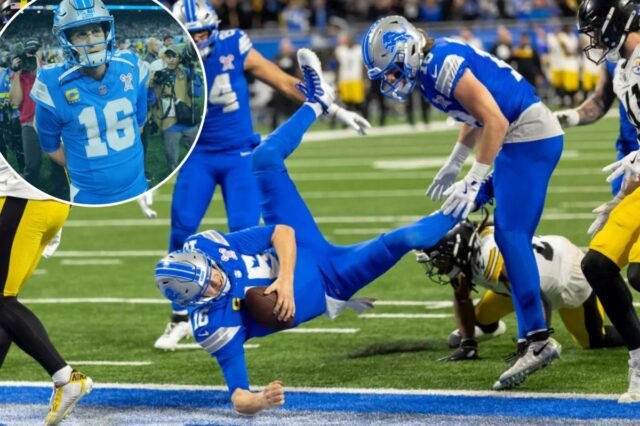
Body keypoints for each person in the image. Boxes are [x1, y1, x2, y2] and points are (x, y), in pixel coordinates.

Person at [153, 49, 458, 414]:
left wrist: (284, 281)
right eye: (211, 286)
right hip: (332, 281)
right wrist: (259, 400)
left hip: (300, 245)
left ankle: (316, 102)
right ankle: (479, 195)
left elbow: (281, 232)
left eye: (212, 272)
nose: (218, 278)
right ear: (196, 301)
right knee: (409, 239)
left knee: (264, 158)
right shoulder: (212, 325)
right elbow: (238, 396)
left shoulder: (206, 246)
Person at [154, 0, 370, 350]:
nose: (198, 40)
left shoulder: (234, 45)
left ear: (214, 28)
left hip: (240, 154)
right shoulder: (167, 60)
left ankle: (241, 309)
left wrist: (331, 107)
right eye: (190, 35)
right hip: (198, 156)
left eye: (202, 33)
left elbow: (283, 81)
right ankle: (179, 315)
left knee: (244, 231)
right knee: (182, 226)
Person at [362, 16, 564, 391]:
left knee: (510, 236)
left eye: (391, 70)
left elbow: (494, 120)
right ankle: (528, 338)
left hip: (528, 135)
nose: (390, 79)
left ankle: (538, 340)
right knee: (460, 213)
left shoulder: (441, 63)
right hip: (519, 136)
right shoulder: (429, 67)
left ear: (406, 49)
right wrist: (455, 162)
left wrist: (473, 178)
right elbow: (474, 115)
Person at [417, 216, 624, 363]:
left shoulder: (491, 258)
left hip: (568, 276)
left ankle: (633, 330)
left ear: (458, 247)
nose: (438, 266)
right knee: (464, 333)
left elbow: (537, 298)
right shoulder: (467, 253)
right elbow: (462, 297)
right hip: (518, 285)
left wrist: (531, 344)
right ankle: (489, 327)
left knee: (593, 341)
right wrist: (468, 343)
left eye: (440, 259)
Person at [575, 0, 640, 403]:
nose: (594, 40)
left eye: (596, 29)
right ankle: (639, 364)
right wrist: (621, 197)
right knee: (597, 266)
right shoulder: (623, 71)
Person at [0, 156, 92, 425]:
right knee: (5, 301)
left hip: (21, 198)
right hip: (47, 199)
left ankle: (65, 377)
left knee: (2, 299)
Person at [30, 0, 150, 205]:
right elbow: (50, 147)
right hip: (88, 195)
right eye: (81, 34)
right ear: (66, 39)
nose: (91, 41)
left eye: (96, 31)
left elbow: (139, 124)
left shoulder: (130, 65)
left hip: (138, 185)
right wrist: (83, 170)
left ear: (106, 32)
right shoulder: (53, 83)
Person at [554, 59, 638, 196]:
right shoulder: (613, 60)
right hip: (627, 154)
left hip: (636, 155)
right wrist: (573, 116)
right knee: (620, 207)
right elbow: (601, 100)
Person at [151, 44, 202, 172]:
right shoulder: (159, 75)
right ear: (164, 59)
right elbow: (151, 99)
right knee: (172, 161)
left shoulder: (186, 72)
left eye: (174, 56)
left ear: (179, 58)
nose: (171, 59)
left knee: (199, 155)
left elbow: (197, 93)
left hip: (188, 121)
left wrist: (193, 73)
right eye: (168, 56)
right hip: (170, 124)